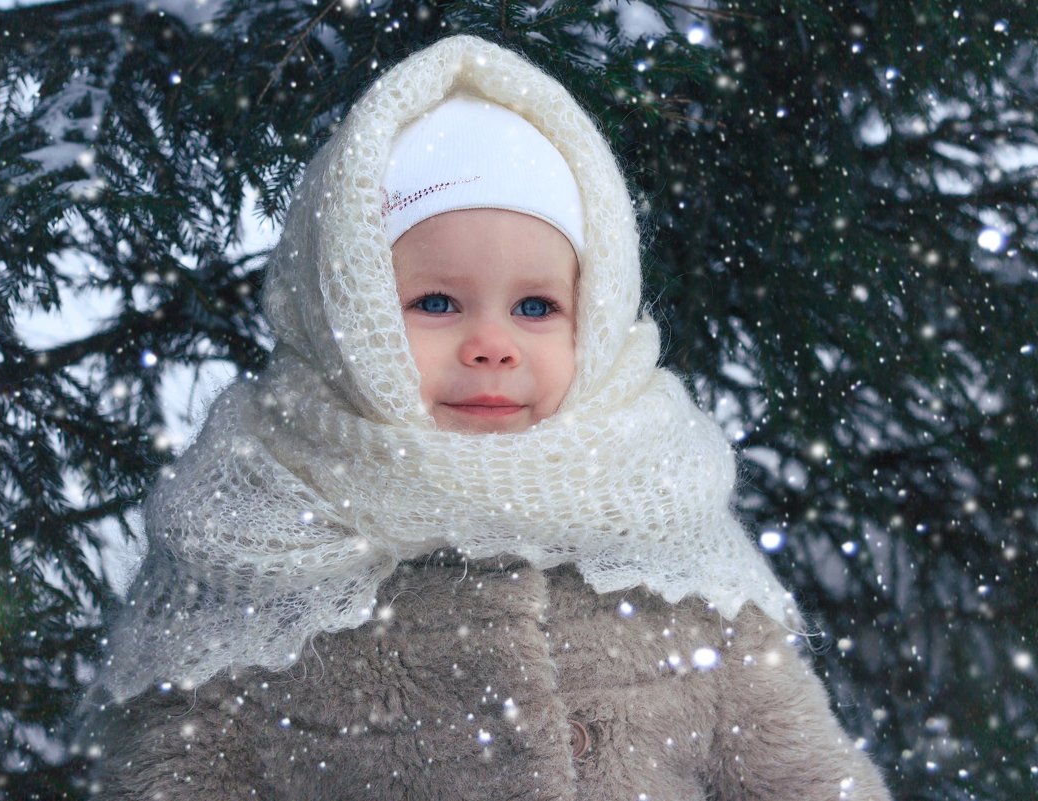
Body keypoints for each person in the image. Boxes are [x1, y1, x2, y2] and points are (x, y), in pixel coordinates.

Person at [78, 35, 892, 800]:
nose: (492, 345)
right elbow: (181, 773)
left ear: (597, 316)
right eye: (435, 302)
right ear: (343, 314)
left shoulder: (672, 539)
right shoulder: (252, 540)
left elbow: (806, 776)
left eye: (536, 305)